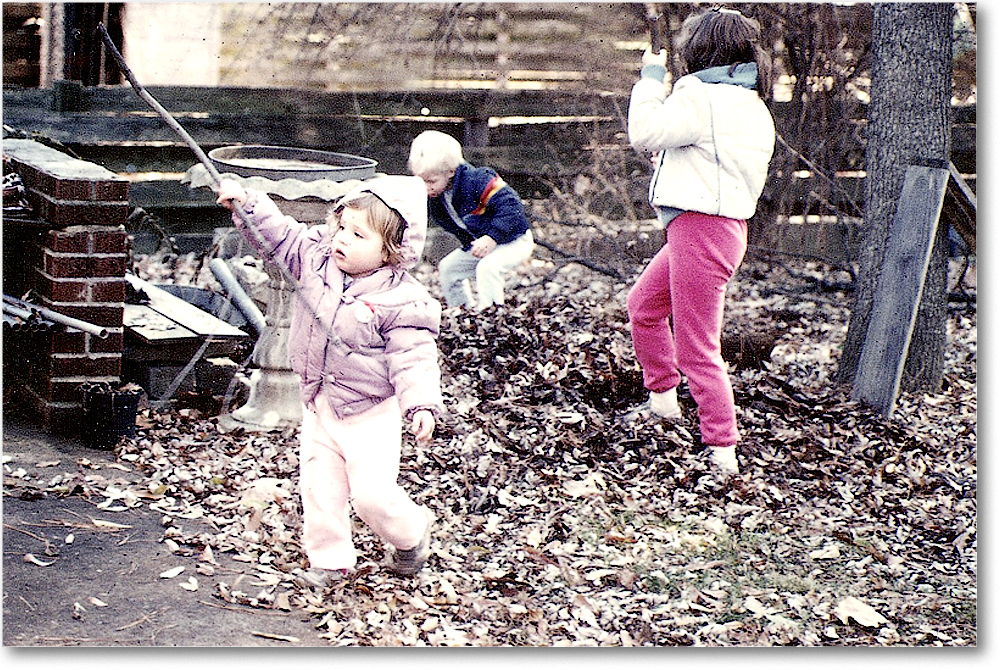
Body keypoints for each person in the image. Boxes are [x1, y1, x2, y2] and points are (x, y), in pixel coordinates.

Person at [216, 174, 443, 583]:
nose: (342, 238)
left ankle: (411, 533)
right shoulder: (315, 259)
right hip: (320, 404)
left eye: (359, 234)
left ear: (391, 250)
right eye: (341, 226)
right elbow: (280, 235)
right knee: (321, 491)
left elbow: (414, 357)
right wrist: (246, 204)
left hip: (369, 415)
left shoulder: (402, 301)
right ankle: (331, 562)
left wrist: (421, 403)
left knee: (372, 499)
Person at [626, 7, 775, 475]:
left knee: (697, 345)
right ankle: (664, 402)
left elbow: (643, 130)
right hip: (716, 229)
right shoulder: (748, 104)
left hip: (701, 229)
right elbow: (712, 163)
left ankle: (722, 450)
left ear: (699, 53)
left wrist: (651, 79)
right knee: (644, 307)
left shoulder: (703, 98)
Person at [408, 130, 534, 311]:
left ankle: (493, 318)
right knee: (448, 268)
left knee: (487, 268)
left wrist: (492, 237)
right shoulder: (437, 196)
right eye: (421, 181)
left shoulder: (477, 180)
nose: (426, 188)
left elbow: (512, 206)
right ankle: (462, 314)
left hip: (513, 239)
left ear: (451, 171)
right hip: (481, 243)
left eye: (431, 181)